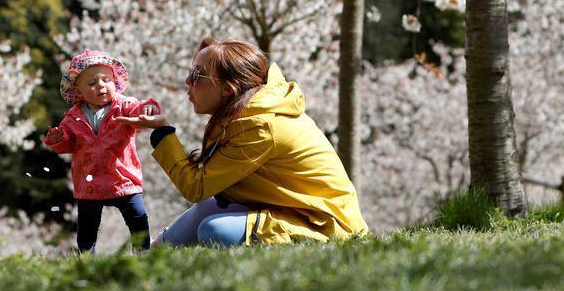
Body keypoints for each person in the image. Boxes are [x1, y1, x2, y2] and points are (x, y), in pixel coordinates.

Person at [114, 37, 368, 247]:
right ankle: (151, 253)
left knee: (215, 230)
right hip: (290, 209)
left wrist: (162, 132)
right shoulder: (249, 114)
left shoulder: (259, 126)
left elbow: (196, 186)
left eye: (197, 75)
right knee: (207, 209)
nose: (187, 82)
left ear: (228, 88)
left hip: (326, 225)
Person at [44, 50, 160, 253]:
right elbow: (67, 145)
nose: (101, 86)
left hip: (123, 178)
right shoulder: (73, 117)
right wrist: (58, 139)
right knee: (87, 228)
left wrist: (147, 108)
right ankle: (86, 259)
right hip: (88, 183)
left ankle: (143, 253)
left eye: (106, 80)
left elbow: (138, 111)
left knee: (138, 218)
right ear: (78, 91)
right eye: (92, 83)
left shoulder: (123, 106)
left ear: (115, 82)